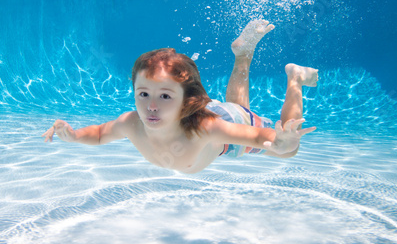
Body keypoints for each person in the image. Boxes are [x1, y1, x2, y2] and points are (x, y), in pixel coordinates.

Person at [42, 19, 318, 174]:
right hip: (217, 116)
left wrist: (282, 143)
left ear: (187, 98)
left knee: (283, 145)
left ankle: (294, 79)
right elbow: (101, 133)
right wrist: (74, 135)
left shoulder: (206, 128)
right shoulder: (131, 123)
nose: (150, 106)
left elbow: (259, 138)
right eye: (143, 93)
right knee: (238, 107)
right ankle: (243, 53)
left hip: (221, 126)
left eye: (164, 96)